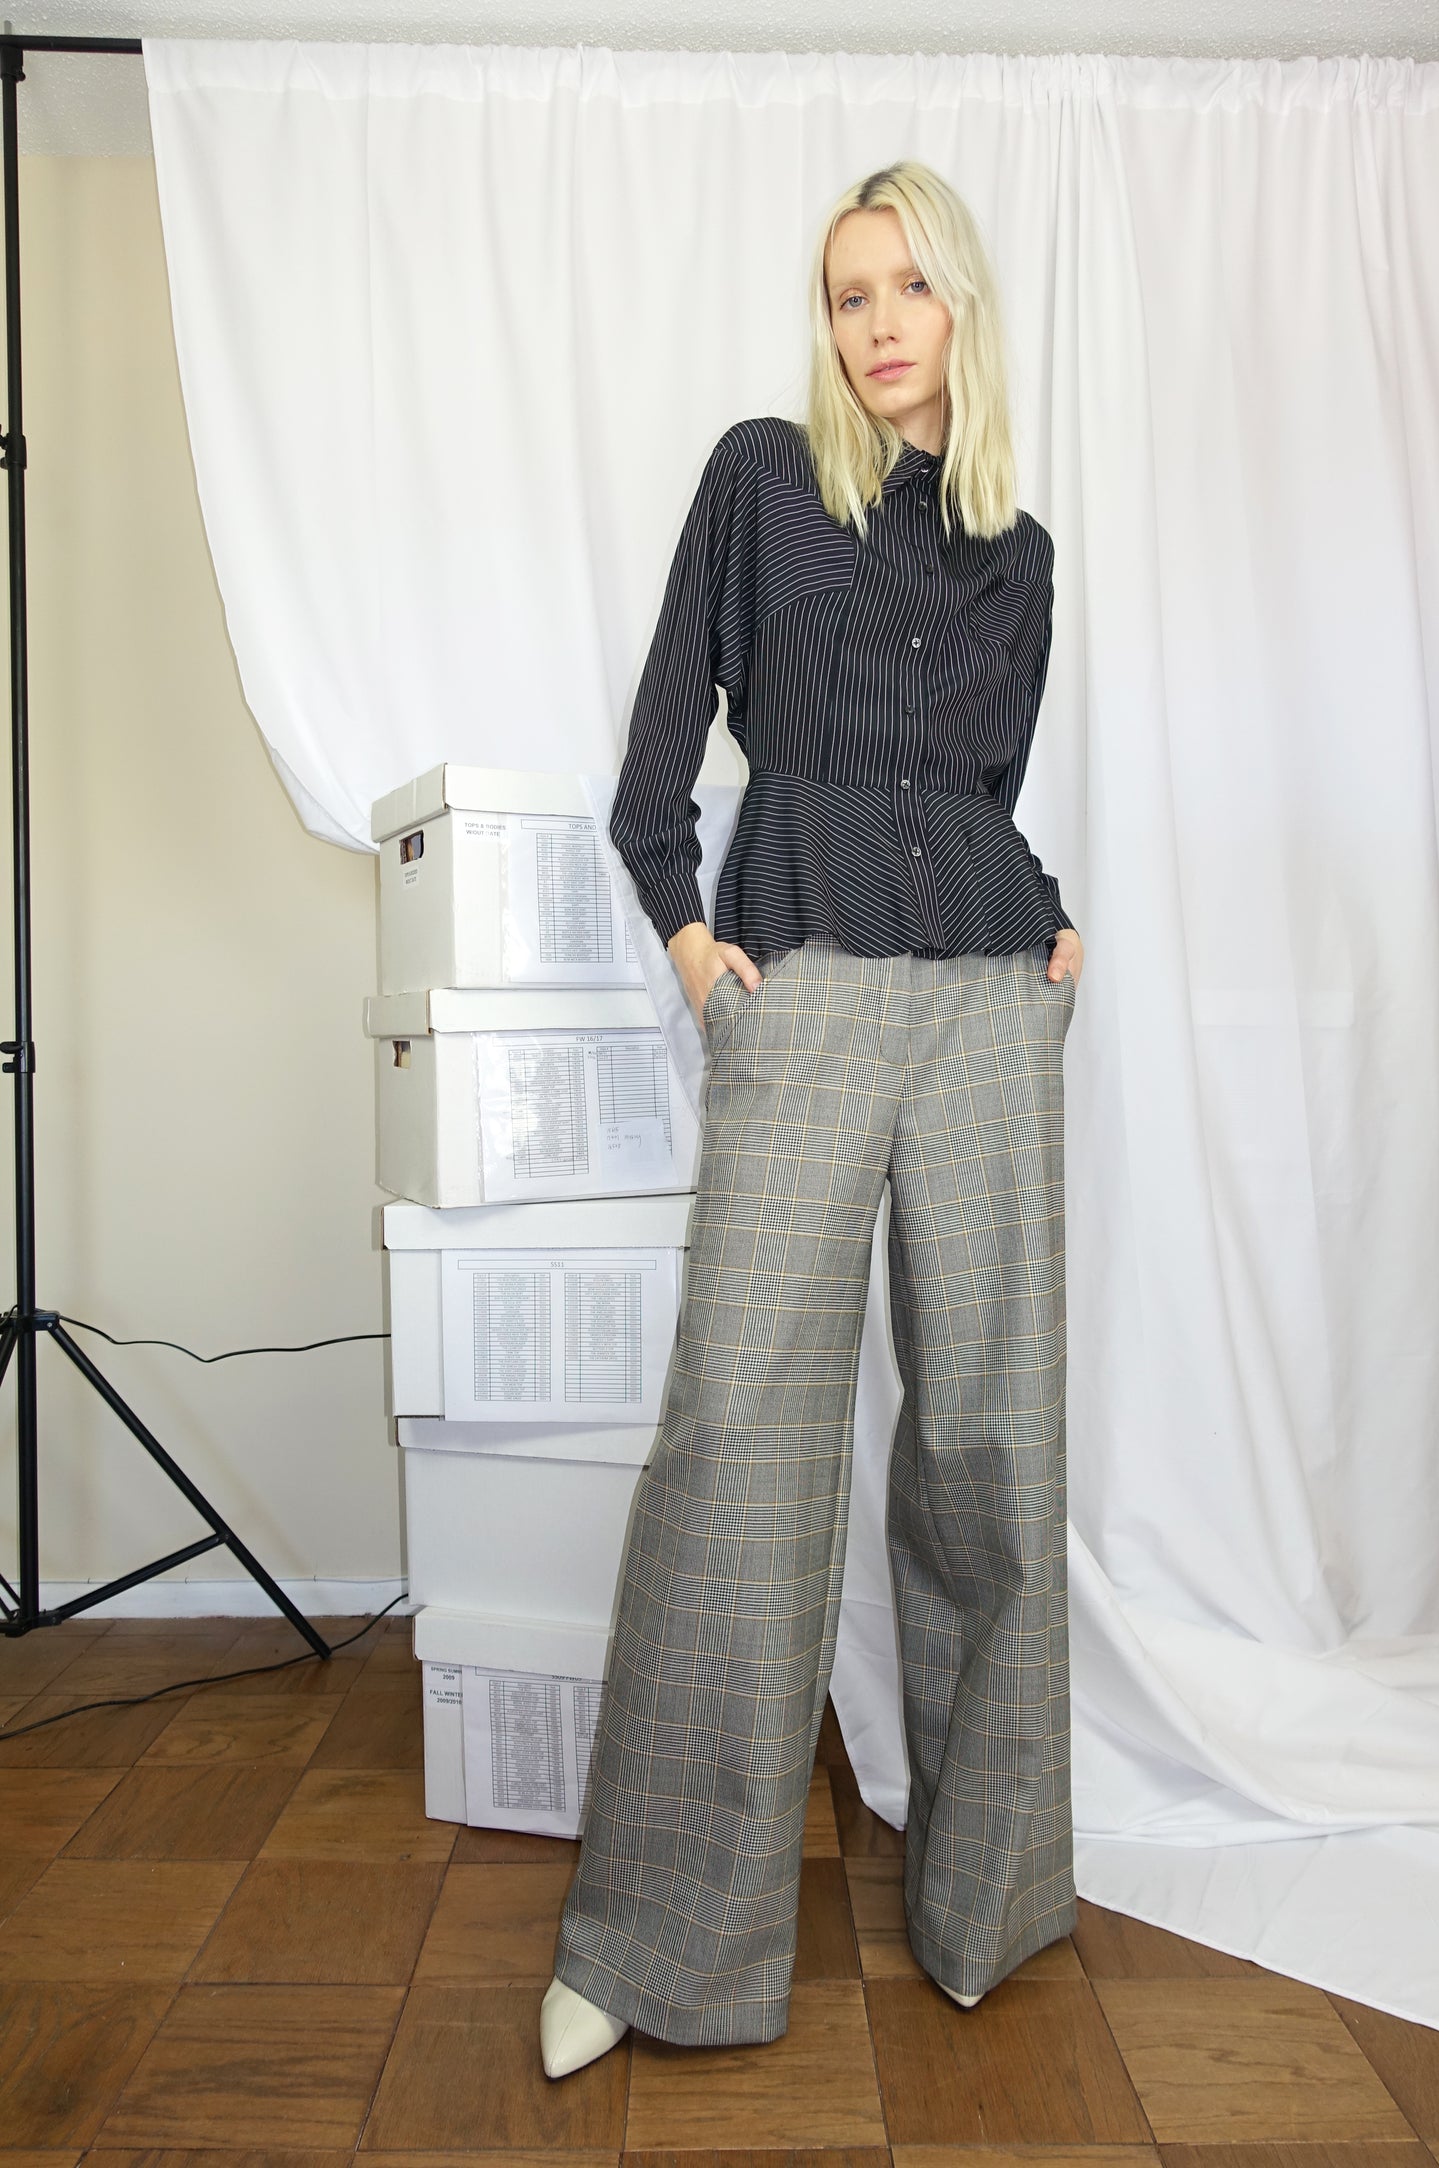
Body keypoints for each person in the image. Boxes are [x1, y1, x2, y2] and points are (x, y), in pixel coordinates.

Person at [540, 158, 1083, 2079]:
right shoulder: (765, 481)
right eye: (849, 293)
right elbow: (653, 761)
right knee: (737, 1444)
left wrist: (1049, 928)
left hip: (991, 1007)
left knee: (992, 1454)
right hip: (803, 986)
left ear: (960, 310)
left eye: (907, 287)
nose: (876, 324)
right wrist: (694, 945)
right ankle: (652, 1946)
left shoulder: (1018, 553)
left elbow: (980, 793)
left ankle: (986, 1900)